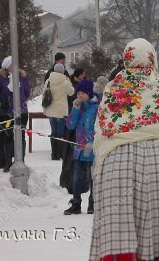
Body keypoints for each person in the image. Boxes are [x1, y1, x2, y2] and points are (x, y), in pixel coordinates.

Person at [90, 38, 159, 261]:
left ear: (127, 59)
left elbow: (101, 129)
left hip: (115, 165)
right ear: (152, 58)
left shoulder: (113, 87)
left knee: (119, 226)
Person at [63, 79, 98, 215]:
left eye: (82, 93)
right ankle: (76, 203)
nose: (80, 96)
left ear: (89, 93)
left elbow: (98, 127)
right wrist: (75, 109)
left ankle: (93, 203)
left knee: (92, 177)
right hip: (79, 149)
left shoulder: (96, 108)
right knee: (77, 177)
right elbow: (70, 125)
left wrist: (92, 142)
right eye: (78, 94)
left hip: (92, 149)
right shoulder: (79, 107)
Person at [42, 63, 74, 160]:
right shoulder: (65, 81)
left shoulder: (48, 80)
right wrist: (68, 80)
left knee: (53, 132)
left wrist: (44, 109)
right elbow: (71, 92)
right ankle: (60, 153)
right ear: (63, 71)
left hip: (50, 110)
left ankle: (54, 153)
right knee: (60, 133)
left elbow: (44, 94)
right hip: (60, 111)